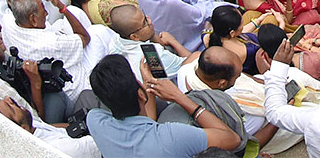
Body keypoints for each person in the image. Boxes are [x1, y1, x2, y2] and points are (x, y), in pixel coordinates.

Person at [86, 54, 241, 157]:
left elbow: (144, 126)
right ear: (140, 94)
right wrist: (179, 97)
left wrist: (149, 88)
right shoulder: (174, 137)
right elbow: (233, 140)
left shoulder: (95, 120)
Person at [0, 0, 93, 112]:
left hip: (55, 78)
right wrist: (62, 7)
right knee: (97, 32)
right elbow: (85, 38)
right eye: (43, 9)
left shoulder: (7, 22)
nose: (46, 13)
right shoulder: (51, 44)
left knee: (61, 23)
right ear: (33, 19)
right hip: (77, 88)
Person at [0, 95, 103, 158]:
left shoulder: (28, 126)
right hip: (101, 146)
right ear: (23, 129)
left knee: (85, 96)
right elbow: (101, 143)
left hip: (78, 135)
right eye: (10, 107)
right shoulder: (62, 148)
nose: (8, 99)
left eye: (4, 100)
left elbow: (48, 127)